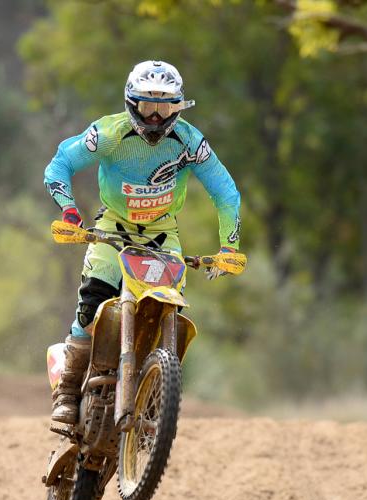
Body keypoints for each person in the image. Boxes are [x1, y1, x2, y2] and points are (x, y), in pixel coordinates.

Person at [44, 60, 242, 429]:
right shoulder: (108, 133)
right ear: (131, 104)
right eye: (148, 106)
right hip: (112, 228)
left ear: (178, 108)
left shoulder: (191, 142)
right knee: (91, 303)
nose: (155, 117)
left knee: (170, 309)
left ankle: (155, 392)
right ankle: (68, 391)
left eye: (164, 109)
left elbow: (226, 193)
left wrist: (228, 247)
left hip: (162, 235)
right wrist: (69, 210)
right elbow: (60, 165)